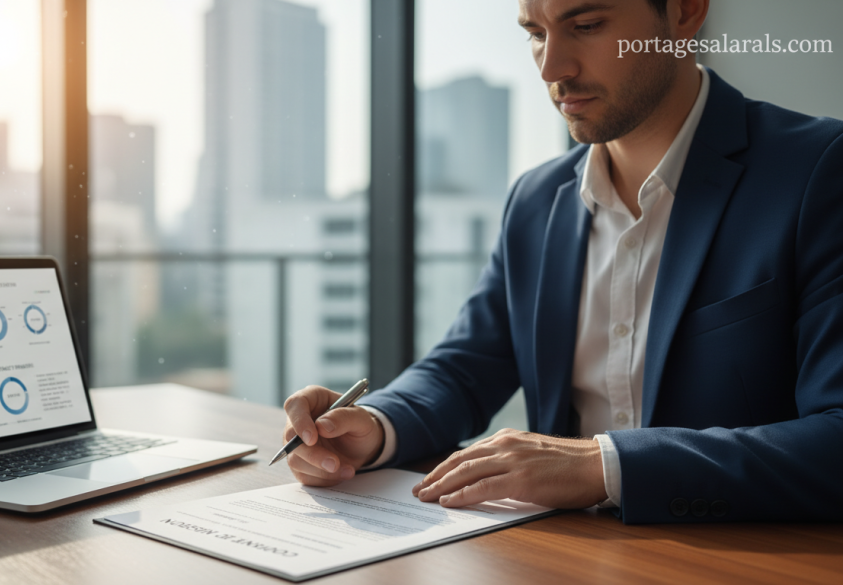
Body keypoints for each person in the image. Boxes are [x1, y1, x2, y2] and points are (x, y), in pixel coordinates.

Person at [281, 0, 843, 523]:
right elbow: (463, 367)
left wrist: (601, 465)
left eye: (586, 25)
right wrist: (375, 426)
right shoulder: (536, 198)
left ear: (685, 12)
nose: (552, 68)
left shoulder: (818, 171)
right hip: (556, 554)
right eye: (534, 33)